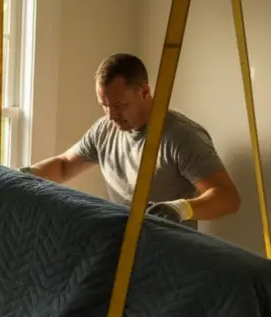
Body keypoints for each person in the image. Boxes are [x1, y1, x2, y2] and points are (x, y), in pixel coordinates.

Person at [22, 52, 241, 227]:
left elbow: (228, 198)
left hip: (170, 251)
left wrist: (180, 209)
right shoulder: (104, 130)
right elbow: (63, 166)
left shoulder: (182, 136)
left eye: (119, 106)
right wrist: (22, 177)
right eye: (104, 106)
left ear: (145, 92)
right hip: (119, 243)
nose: (111, 116)